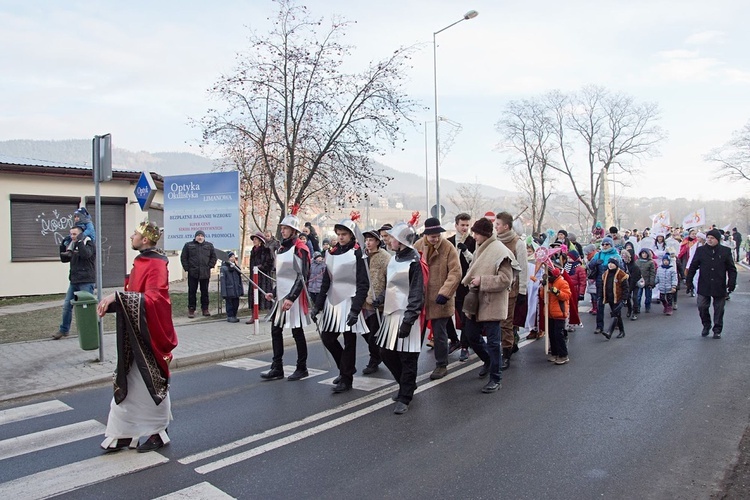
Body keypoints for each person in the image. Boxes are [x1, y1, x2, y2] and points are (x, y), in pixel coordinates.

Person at [96, 221, 177, 452]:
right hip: (133, 332)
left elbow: (155, 300)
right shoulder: (141, 261)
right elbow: (134, 295)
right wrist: (114, 302)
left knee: (151, 384)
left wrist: (118, 297)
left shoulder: (157, 264)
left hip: (149, 334)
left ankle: (159, 433)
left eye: (135, 233)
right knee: (127, 383)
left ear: (144, 240)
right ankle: (123, 433)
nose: (131, 235)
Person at [460, 217, 519, 394]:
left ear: (484, 234)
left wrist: (482, 281)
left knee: (494, 342)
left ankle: (496, 378)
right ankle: (488, 360)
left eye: (476, 233)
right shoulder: (481, 248)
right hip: (477, 300)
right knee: (471, 335)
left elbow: (506, 280)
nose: (474, 236)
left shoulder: (501, 251)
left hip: (492, 303)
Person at [313, 217, 369, 393]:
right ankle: (345, 368)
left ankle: (347, 378)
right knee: (327, 338)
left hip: (350, 301)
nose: (341, 237)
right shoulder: (332, 253)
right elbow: (326, 282)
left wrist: (356, 309)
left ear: (351, 235)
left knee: (349, 341)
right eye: (338, 234)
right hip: (333, 302)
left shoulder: (359, 254)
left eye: (344, 234)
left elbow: (363, 284)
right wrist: (318, 305)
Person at [376, 219, 425, 414]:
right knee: (385, 352)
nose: (388, 241)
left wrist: (409, 319)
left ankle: (405, 396)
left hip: (407, 315)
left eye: (393, 238)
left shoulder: (414, 262)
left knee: (407, 356)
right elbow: (391, 285)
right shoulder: (394, 259)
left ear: (402, 240)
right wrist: (379, 298)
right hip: (390, 313)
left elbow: (416, 293)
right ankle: (406, 384)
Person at [261, 210, 311, 381]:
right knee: (276, 330)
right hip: (282, 295)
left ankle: (302, 367)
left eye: (286, 228)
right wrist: (273, 293)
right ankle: (277, 367)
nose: (282, 231)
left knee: (297, 332)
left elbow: (302, 276)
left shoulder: (300, 249)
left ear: (294, 230)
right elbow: (282, 275)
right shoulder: (282, 248)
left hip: (293, 297)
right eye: (282, 228)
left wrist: (291, 298)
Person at [414, 217, 462, 380]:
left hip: (441, 298)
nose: (435, 238)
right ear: (426, 234)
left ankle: (441, 365)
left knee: (440, 333)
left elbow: (455, 272)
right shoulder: (418, 246)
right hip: (420, 298)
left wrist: (445, 292)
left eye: (437, 235)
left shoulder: (448, 248)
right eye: (432, 235)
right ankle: (411, 364)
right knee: (416, 333)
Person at [686, 229, 737, 339]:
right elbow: (693, 266)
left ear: (717, 240)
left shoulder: (725, 251)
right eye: (708, 238)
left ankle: (717, 329)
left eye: (712, 238)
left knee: (719, 309)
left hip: (719, 284)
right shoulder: (701, 251)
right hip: (704, 283)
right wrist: (689, 281)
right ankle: (706, 325)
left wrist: (731, 283)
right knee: (702, 306)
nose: (709, 240)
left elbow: (732, 269)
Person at [494, 211, 527, 369]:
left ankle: (506, 353)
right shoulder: (494, 241)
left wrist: (522, 290)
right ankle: (511, 343)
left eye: (498, 224)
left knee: (506, 322)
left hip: (511, 289)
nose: (496, 227)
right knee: (498, 321)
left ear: (506, 226)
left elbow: (523, 268)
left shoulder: (517, 243)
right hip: (496, 288)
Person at [53, 224, 96, 340]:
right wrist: (63, 246)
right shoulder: (71, 244)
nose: (72, 236)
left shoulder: (88, 243)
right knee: (67, 306)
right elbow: (64, 259)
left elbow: (86, 255)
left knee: (87, 307)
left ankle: (90, 331)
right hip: (74, 280)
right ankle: (64, 330)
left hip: (86, 280)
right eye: (71, 234)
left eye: (74, 234)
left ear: (81, 234)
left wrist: (79, 242)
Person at [361, 229, 391, 375]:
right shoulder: (362, 256)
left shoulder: (385, 257)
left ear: (377, 242)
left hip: (376, 302)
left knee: (374, 333)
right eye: (366, 240)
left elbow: (388, 279)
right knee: (363, 330)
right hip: (362, 300)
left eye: (371, 240)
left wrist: (382, 296)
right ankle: (377, 353)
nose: (368, 242)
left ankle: (374, 359)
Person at [447, 213, 476, 362]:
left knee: (464, 317)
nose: (464, 228)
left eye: (467, 225)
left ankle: (464, 346)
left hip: (465, 286)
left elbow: (476, 263)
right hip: (450, 284)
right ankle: (454, 339)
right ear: (456, 225)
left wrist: (465, 251)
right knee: (444, 316)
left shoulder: (473, 241)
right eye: (462, 225)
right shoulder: (449, 242)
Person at [587, 237, 622, 335]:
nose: (605, 246)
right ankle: (599, 326)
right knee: (599, 305)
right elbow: (590, 266)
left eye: (607, 244)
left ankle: (617, 323)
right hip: (600, 283)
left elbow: (621, 269)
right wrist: (595, 262)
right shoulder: (598, 255)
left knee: (613, 304)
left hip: (611, 284)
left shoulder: (616, 255)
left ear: (611, 245)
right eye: (603, 244)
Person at [180, 230, 217, 318]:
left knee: (204, 292)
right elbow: (183, 257)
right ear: (195, 237)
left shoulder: (209, 245)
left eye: (201, 236)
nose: (200, 237)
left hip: (205, 273)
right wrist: (187, 268)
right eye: (198, 236)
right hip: (193, 273)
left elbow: (213, 257)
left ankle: (205, 309)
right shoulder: (188, 245)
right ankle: (191, 309)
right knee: (192, 292)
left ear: (204, 237)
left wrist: (209, 266)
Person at [540, 265, 572, 363]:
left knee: (558, 334)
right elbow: (542, 297)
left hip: (559, 313)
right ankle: (554, 353)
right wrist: (543, 287)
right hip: (550, 313)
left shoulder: (562, 282)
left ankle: (563, 355)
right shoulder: (549, 283)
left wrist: (557, 292)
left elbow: (566, 296)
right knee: (552, 334)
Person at [246, 231, 274, 324]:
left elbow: (270, 264)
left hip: (264, 278)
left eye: (256, 239)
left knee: (267, 296)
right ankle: (253, 316)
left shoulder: (267, 250)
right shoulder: (253, 250)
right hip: (254, 277)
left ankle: (272, 314)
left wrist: (260, 267)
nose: (254, 241)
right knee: (253, 296)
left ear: (260, 241)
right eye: (253, 239)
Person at [601, 257, 629, 339]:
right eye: (609, 263)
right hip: (610, 297)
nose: (610, 265)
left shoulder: (621, 274)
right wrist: (601, 295)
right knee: (616, 314)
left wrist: (624, 299)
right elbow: (602, 286)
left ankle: (611, 332)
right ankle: (619, 332)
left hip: (618, 298)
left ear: (616, 265)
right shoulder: (605, 274)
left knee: (616, 314)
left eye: (612, 263)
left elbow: (626, 288)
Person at [220, 251, 244, 323]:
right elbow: (223, 281)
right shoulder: (224, 268)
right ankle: (230, 316)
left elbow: (239, 279)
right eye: (230, 257)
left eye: (233, 257)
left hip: (236, 290)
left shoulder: (236, 267)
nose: (232, 258)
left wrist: (241, 290)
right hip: (229, 290)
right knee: (229, 304)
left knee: (236, 304)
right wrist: (224, 293)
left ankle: (234, 315)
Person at [621, 250, 642, 321]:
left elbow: (634, 279)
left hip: (635, 284)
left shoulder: (634, 266)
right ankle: (629, 309)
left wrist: (629, 289)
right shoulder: (623, 264)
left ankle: (635, 312)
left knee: (635, 297)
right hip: (626, 283)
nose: (624, 258)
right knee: (627, 298)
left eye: (626, 257)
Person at [635, 248, 656, 314]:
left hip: (647, 281)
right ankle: (637, 307)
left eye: (645, 253)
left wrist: (651, 282)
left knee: (648, 296)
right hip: (639, 281)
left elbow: (652, 273)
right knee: (638, 296)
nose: (644, 255)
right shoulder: (637, 261)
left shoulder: (651, 262)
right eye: (643, 253)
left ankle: (647, 306)